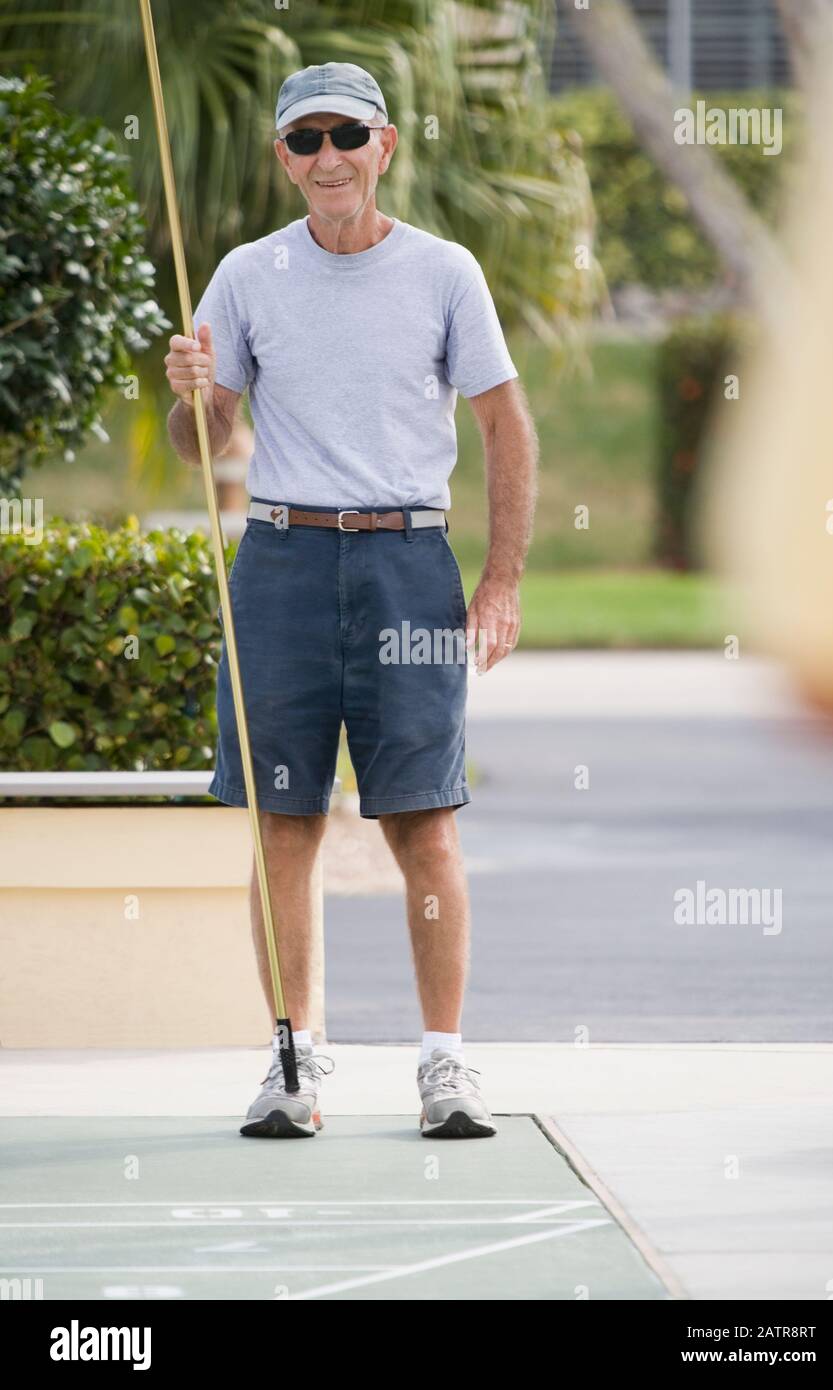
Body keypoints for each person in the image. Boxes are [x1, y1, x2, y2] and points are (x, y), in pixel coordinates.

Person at [165, 62, 538, 1140]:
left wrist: (501, 578)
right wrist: (191, 394)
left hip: (405, 563)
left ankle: (444, 1066)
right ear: (284, 161)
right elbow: (208, 442)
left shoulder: (443, 272)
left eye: (346, 135)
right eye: (305, 139)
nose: (327, 156)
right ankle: (292, 1063)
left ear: (384, 148)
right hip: (280, 562)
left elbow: (506, 426)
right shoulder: (243, 274)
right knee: (285, 823)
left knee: (423, 821)